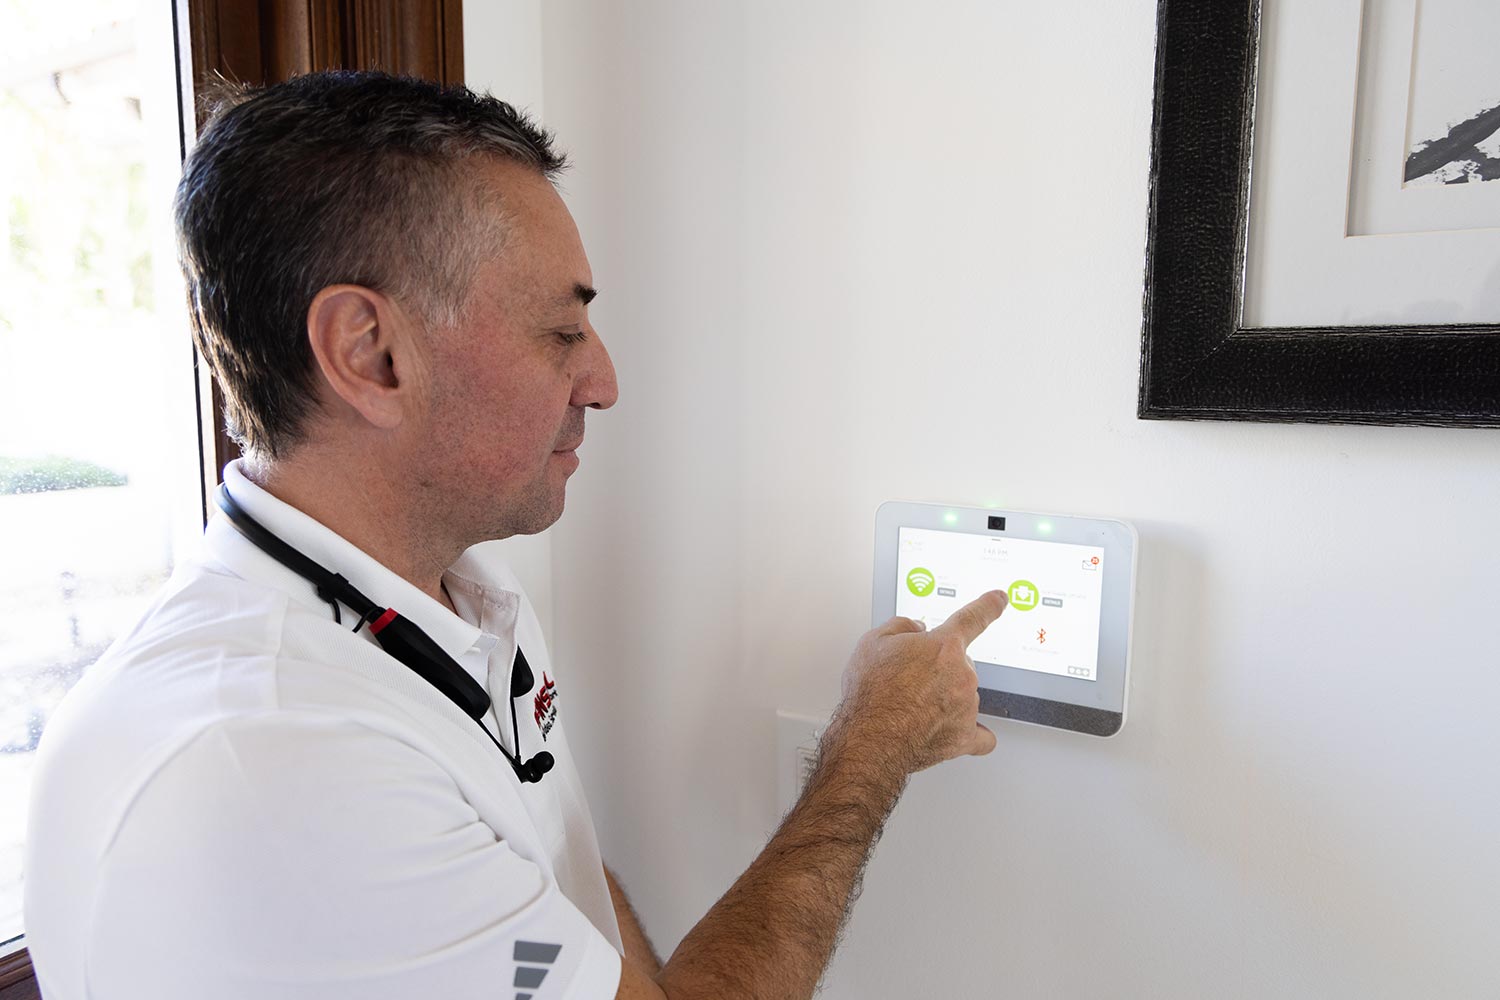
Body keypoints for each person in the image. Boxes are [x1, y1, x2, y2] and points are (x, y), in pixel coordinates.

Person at [23, 71, 1005, 1000]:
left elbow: (549, 877)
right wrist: (866, 752)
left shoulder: (449, 601)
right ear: (372, 353)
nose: (604, 381)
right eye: (561, 331)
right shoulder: (277, 759)